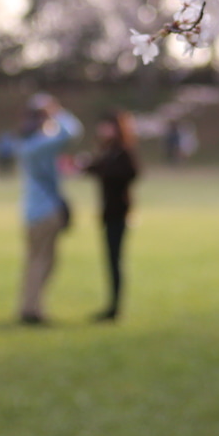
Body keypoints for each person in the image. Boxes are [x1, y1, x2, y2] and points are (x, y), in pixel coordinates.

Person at [12, 94, 80, 325]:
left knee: (34, 260)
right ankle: (32, 310)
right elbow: (71, 131)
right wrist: (57, 110)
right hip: (45, 211)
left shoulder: (26, 146)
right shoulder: (41, 145)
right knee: (43, 262)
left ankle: (29, 306)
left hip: (31, 211)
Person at [80, 110, 141, 322]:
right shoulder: (108, 152)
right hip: (107, 213)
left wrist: (101, 170)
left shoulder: (122, 152)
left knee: (115, 260)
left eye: (109, 126)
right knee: (110, 260)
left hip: (119, 213)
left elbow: (131, 173)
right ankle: (111, 305)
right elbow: (96, 169)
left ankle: (115, 308)